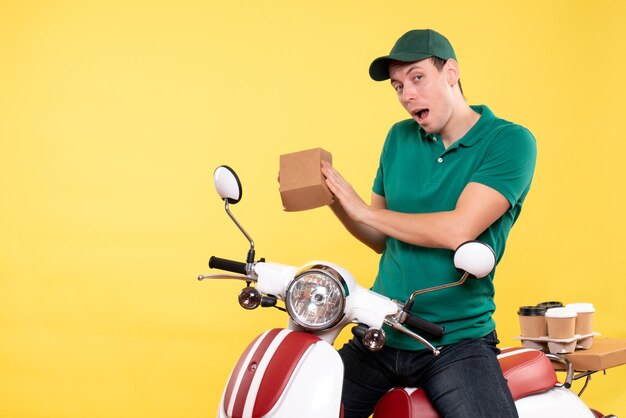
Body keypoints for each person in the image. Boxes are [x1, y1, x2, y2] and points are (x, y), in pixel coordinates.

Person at [320, 29, 537, 417]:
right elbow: (380, 238)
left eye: (417, 77)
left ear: (451, 73)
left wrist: (362, 209)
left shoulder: (509, 141)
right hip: (381, 331)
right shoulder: (398, 138)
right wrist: (336, 200)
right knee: (306, 404)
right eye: (398, 86)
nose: (407, 96)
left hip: (455, 341)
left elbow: (459, 230)